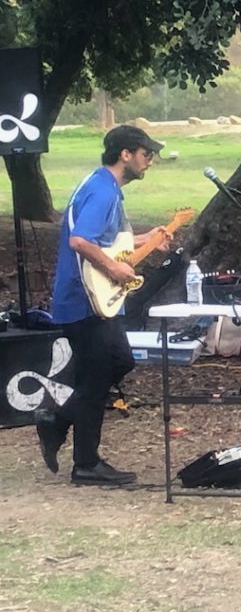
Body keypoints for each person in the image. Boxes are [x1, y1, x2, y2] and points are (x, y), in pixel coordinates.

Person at [36, 125, 172, 485]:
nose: (150, 161)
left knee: (119, 362)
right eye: (146, 154)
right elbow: (81, 241)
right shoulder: (102, 191)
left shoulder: (103, 186)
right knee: (96, 378)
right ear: (125, 154)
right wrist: (114, 268)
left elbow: (106, 241)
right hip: (85, 300)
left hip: (95, 301)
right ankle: (85, 464)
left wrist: (147, 238)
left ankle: (58, 419)